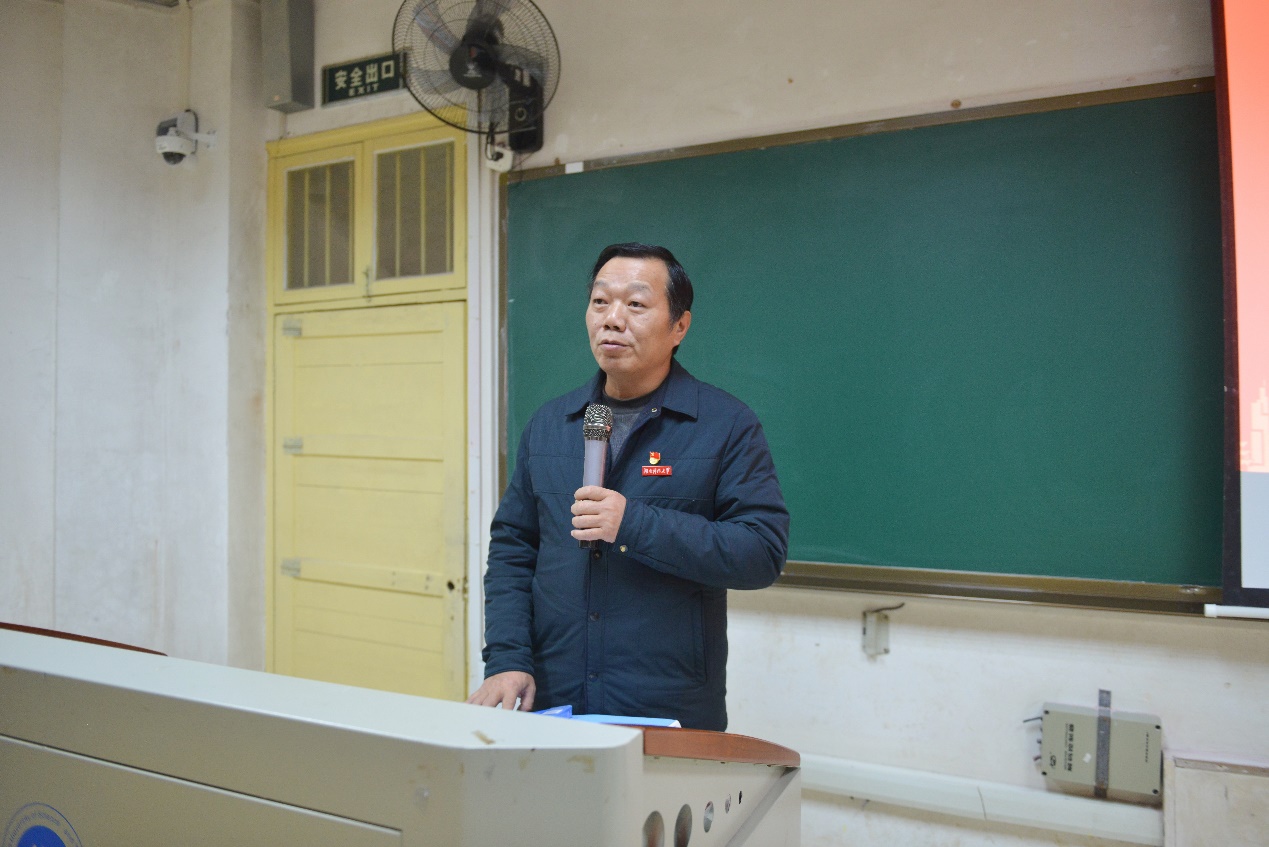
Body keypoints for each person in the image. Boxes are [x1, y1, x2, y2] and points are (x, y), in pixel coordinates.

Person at [466, 243, 789, 731]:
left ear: (679, 326)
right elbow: (514, 549)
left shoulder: (725, 425)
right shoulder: (552, 424)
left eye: (636, 304)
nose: (612, 319)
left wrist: (632, 524)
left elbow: (761, 553)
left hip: (666, 706)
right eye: (600, 302)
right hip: (553, 698)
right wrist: (508, 658)